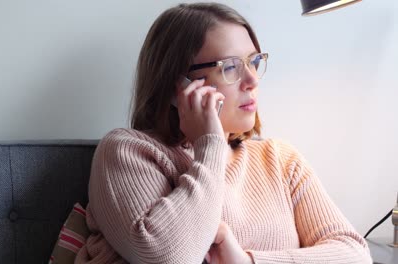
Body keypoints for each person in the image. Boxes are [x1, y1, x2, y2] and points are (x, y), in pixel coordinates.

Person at [76, 2, 372, 264]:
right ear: (176, 87)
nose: (252, 79)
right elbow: (167, 257)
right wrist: (211, 145)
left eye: (254, 61)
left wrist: (248, 261)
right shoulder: (126, 151)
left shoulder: (280, 160)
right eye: (230, 67)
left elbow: (354, 254)